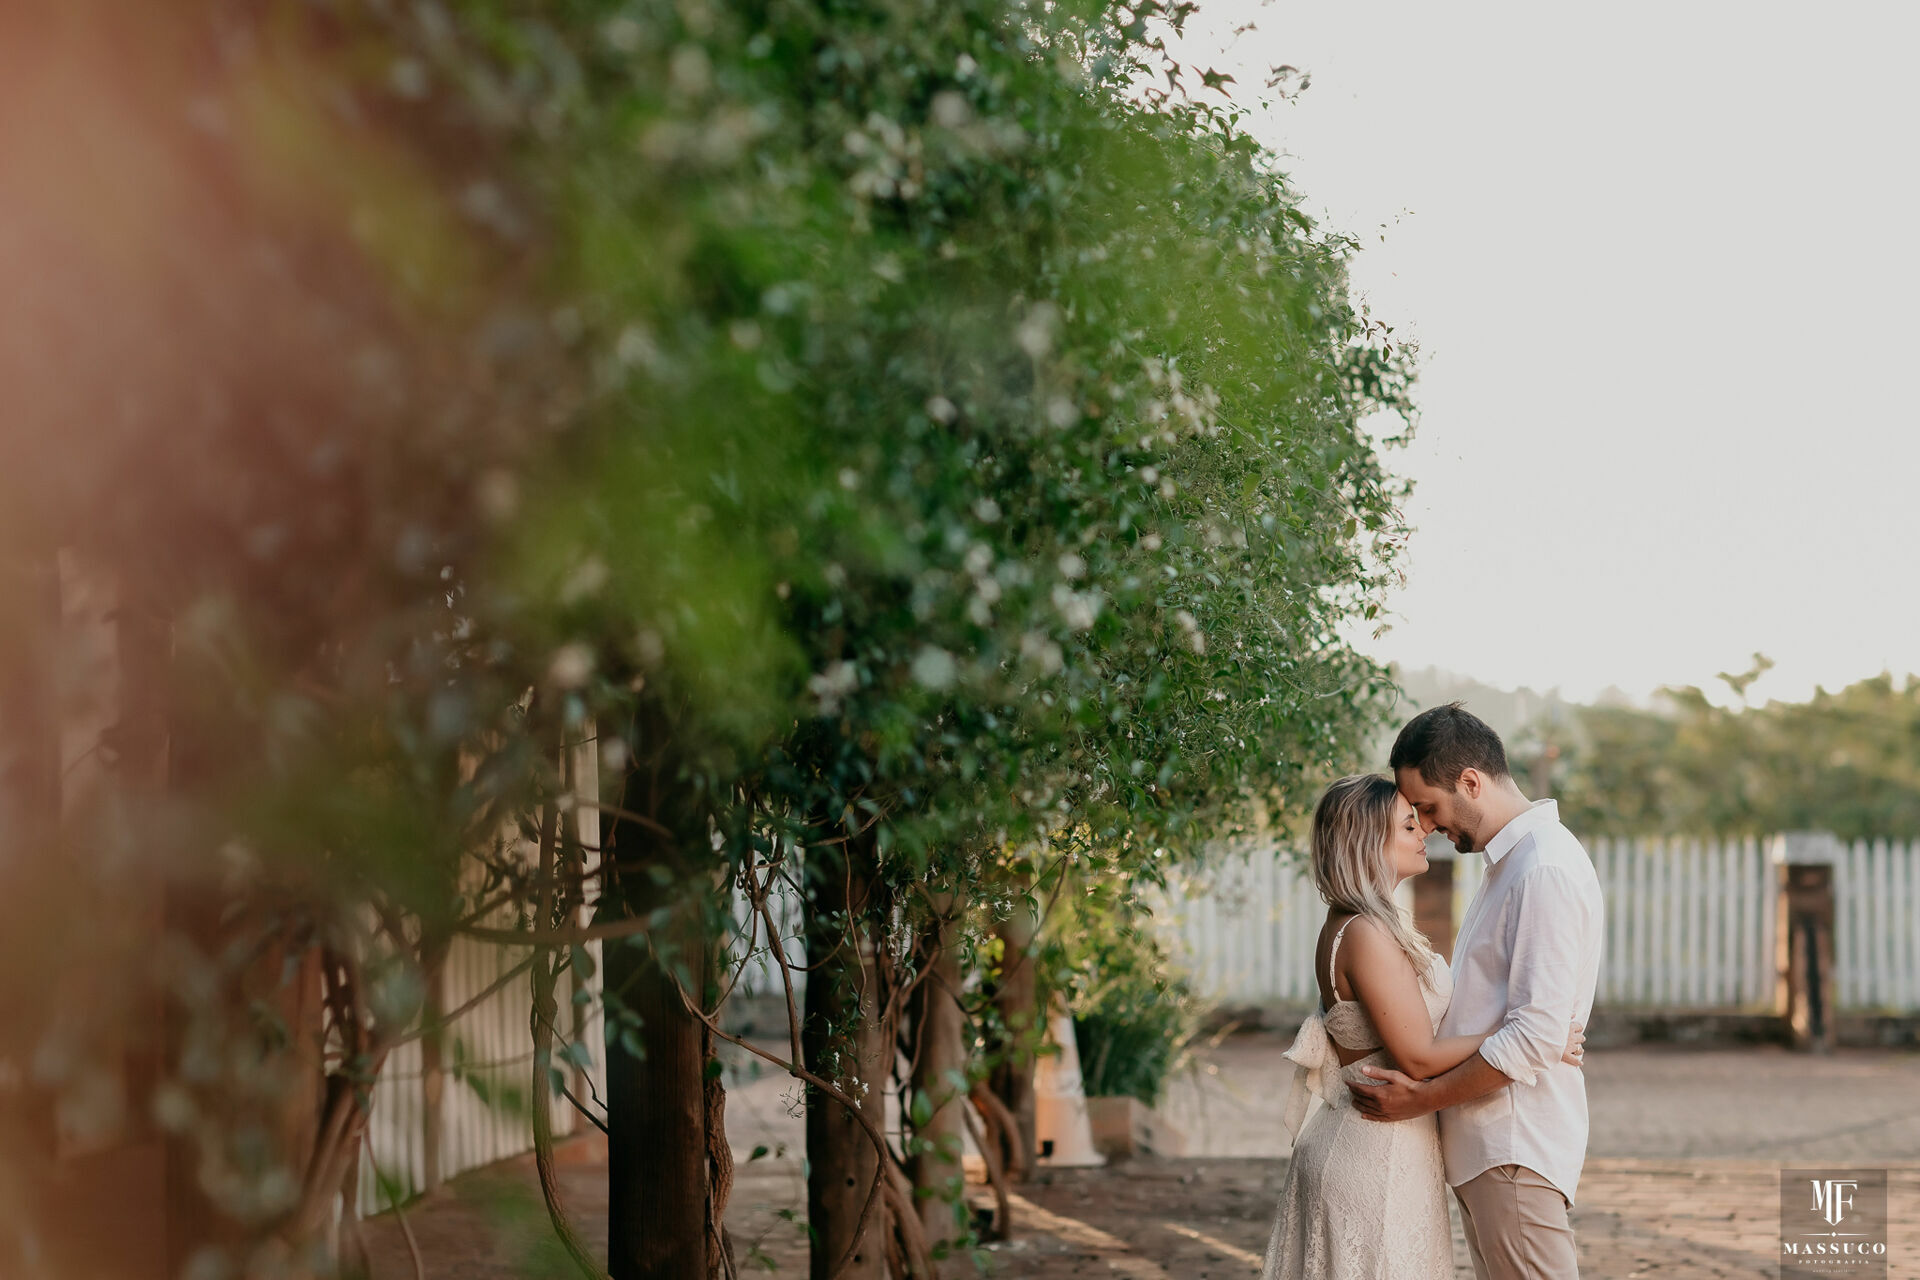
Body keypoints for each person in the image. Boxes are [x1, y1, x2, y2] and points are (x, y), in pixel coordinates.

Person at [1260, 771, 1586, 1280]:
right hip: (1374, 1147)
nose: (1424, 832)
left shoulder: (1373, 923)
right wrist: (1538, 1037)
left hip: (1394, 1143)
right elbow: (1417, 1057)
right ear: (1369, 841)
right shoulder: (1364, 931)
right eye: (1409, 825)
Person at [1348, 703, 1606, 1279]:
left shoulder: (1542, 869)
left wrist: (1419, 1099)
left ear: (1471, 781)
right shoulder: (1509, 866)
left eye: (1431, 808)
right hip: (1489, 1148)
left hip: (1512, 1143)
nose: (1430, 826)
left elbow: (1535, 1036)